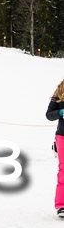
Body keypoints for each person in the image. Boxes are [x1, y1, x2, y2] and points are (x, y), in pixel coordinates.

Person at [47, 78, 64, 219]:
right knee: (63, 169)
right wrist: (60, 113)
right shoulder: (59, 92)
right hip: (62, 136)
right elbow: (49, 115)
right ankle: (61, 205)